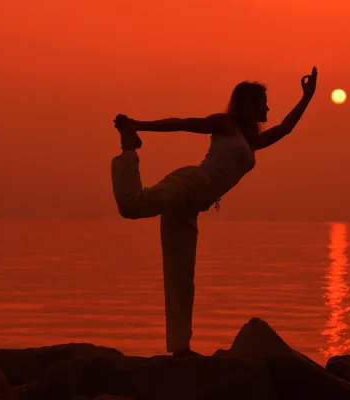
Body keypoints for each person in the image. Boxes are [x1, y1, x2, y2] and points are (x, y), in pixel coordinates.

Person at [111, 66, 318, 357]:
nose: (268, 107)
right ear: (250, 105)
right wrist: (138, 125)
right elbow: (183, 123)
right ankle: (129, 149)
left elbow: (285, 128)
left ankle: (180, 348)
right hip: (189, 184)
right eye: (264, 102)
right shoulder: (225, 125)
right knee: (132, 206)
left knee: (181, 275)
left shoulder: (250, 142)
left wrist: (307, 97)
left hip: (193, 204)